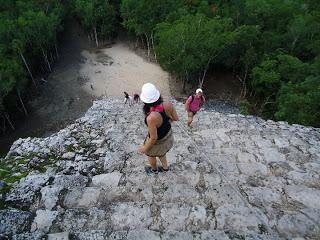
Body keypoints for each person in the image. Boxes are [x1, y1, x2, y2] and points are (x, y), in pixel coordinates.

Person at [138, 83, 179, 174]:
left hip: (158, 141)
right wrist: (167, 120)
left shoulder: (151, 117)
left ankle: (154, 170)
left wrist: (145, 148)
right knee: (162, 153)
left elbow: (153, 138)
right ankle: (165, 168)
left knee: (151, 155)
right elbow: (176, 118)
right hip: (167, 136)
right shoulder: (168, 103)